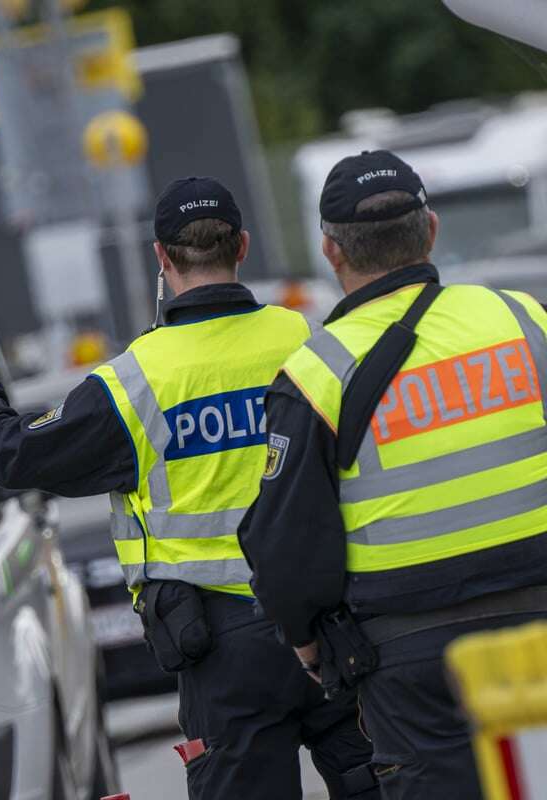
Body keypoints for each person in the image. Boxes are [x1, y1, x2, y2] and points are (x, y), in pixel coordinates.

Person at [0, 177, 377, 800]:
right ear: (242, 245)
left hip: (222, 652)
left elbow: (15, 456)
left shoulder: (135, 380)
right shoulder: (308, 341)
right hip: (332, 624)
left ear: (162, 258)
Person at [238, 150, 547, 798]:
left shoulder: (316, 374)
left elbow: (286, 543)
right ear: (430, 229)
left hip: (415, 658)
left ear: (331, 251)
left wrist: (308, 643)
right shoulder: (524, 320)